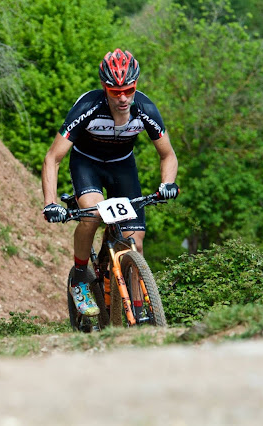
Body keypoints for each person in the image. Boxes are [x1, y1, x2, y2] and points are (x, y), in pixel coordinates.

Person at [41, 48, 179, 316]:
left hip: (122, 167)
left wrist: (167, 183)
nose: (123, 97)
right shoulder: (88, 106)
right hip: (87, 164)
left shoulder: (145, 108)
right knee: (92, 214)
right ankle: (80, 275)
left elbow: (168, 155)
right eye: (115, 92)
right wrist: (50, 203)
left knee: (135, 241)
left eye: (129, 89)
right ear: (105, 87)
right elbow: (52, 158)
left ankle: (139, 311)